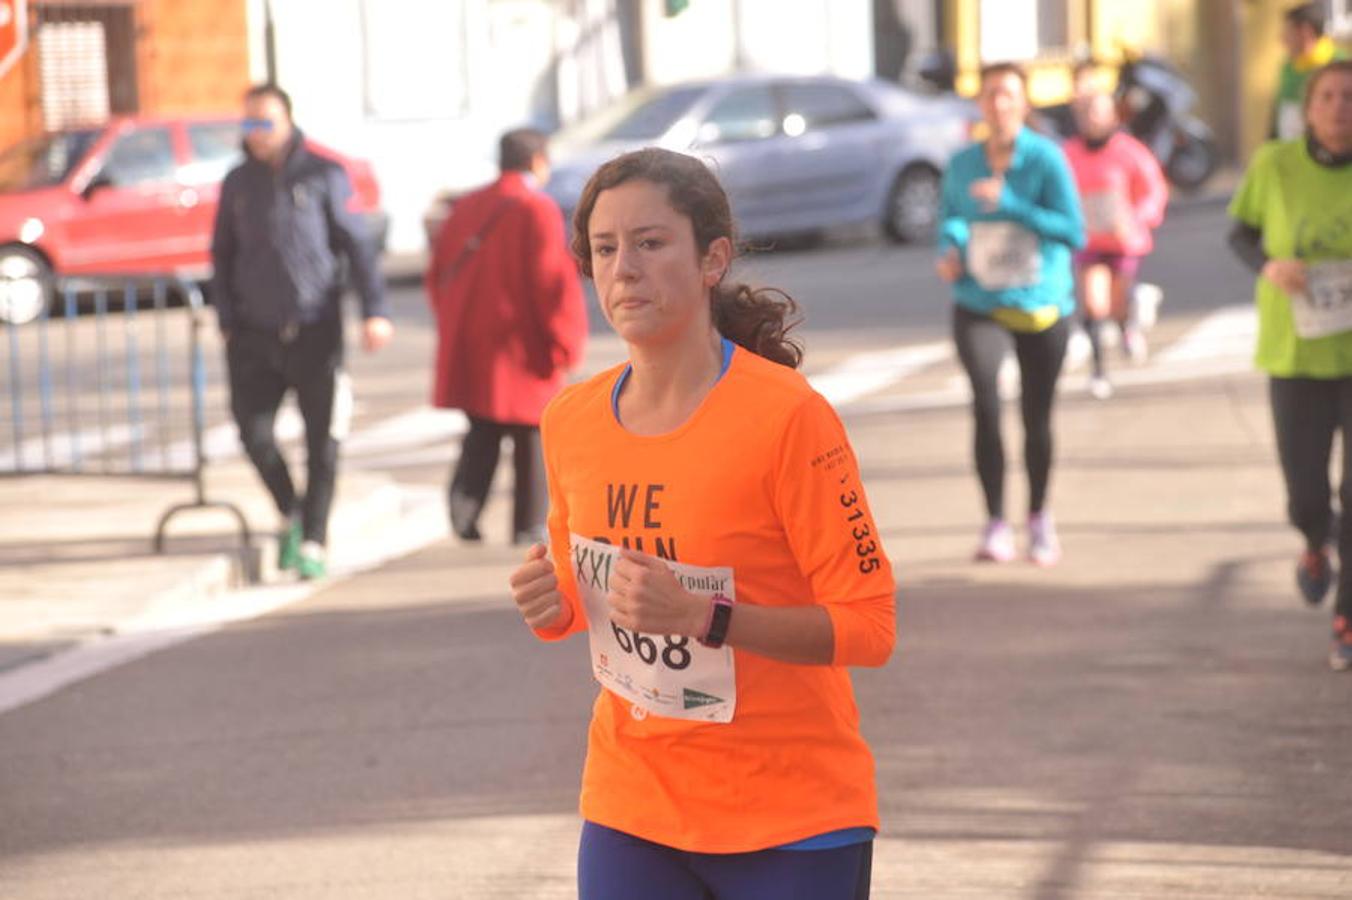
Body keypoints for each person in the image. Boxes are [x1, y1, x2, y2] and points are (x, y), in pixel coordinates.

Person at [507, 148, 895, 899]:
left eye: (651, 244)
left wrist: (704, 618)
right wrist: (548, 601)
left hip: (790, 816)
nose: (625, 269)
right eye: (605, 248)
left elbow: (870, 627)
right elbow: (576, 593)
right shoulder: (571, 420)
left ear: (712, 257)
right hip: (633, 805)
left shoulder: (787, 416)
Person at [211, 83, 393, 580]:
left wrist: (374, 310)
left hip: (316, 330)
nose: (256, 135)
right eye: (248, 125)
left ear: (288, 121)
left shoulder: (323, 175)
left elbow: (357, 248)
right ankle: (291, 511)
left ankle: (313, 539)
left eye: (264, 123)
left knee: (323, 442)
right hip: (253, 334)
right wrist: (227, 318)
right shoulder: (237, 182)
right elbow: (221, 254)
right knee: (254, 434)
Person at [1227, 60, 1352, 671]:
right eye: (1327, 96)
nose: (1339, 108)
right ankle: (1312, 543)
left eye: (1350, 98)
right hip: (1296, 355)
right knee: (1308, 496)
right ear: (1308, 108)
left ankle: (1346, 619)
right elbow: (1240, 235)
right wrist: (1270, 267)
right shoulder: (1274, 165)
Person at [935, 62, 1085, 565]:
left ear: (1023, 104)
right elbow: (952, 218)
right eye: (991, 94)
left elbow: (1072, 230)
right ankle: (996, 521)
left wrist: (1013, 204)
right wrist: (951, 249)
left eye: (1008, 95)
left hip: (1040, 304)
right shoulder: (962, 163)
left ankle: (1039, 518)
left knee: (1035, 414)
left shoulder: (1046, 159)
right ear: (980, 103)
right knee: (985, 404)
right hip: (979, 300)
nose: (999, 104)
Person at [426, 128, 587, 546]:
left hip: (471, 334)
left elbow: (437, 272)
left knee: (482, 427)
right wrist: (566, 339)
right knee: (532, 434)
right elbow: (553, 281)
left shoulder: (467, 206)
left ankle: (465, 510)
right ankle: (527, 522)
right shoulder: (536, 208)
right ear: (537, 161)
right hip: (521, 340)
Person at [1063, 85, 1169, 399]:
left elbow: (1154, 191)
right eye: (1086, 114)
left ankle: (1128, 322)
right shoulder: (1068, 153)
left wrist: (1136, 218)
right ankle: (1098, 372)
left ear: (1112, 116)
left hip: (1123, 240)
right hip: (1089, 239)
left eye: (1098, 113)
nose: (1092, 120)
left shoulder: (1129, 151)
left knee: (1117, 303)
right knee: (1095, 304)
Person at [1272, 3, 1348, 141]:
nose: (1282, 39)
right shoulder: (1289, 66)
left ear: (1306, 31)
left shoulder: (1341, 67)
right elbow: (1279, 113)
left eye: (1288, 32)